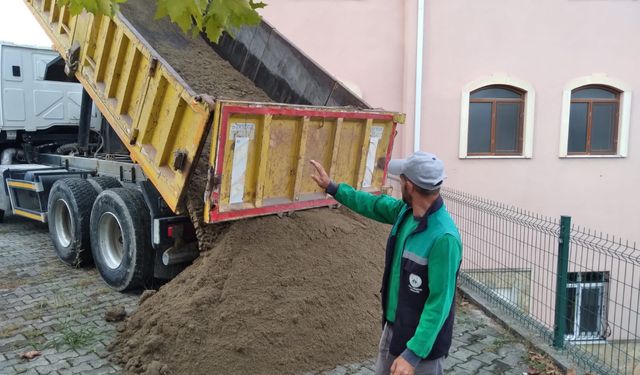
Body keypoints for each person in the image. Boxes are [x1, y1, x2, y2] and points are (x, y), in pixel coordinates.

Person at [309, 152, 462, 375]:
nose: (399, 183)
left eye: (400, 179)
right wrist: (332, 187)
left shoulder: (443, 239)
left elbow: (439, 304)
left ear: (409, 186)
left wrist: (413, 354)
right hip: (394, 331)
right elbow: (372, 204)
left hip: (422, 353)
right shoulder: (406, 212)